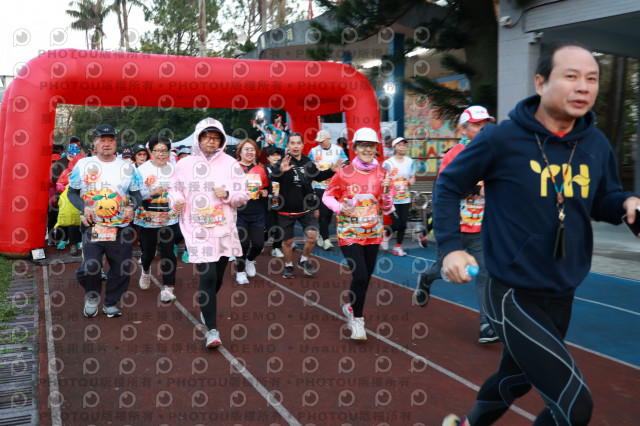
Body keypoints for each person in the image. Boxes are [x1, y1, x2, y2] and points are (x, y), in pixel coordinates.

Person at [436, 41, 640, 426]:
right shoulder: (500, 139)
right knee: (574, 407)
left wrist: (627, 203)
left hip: (562, 290)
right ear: (541, 83)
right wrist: (449, 247)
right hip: (511, 290)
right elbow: (448, 185)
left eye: (592, 79)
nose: (583, 87)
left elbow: (603, 199)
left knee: (514, 379)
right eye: (571, 76)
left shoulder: (596, 144)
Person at [414, 106, 499, 344]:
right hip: (454, 228)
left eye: (486, 124)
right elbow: (444, 190)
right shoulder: (453, 155)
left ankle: (486, 324)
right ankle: (426, 278)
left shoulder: (494, 154)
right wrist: (477, 188)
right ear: (463, 129)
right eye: (477, 125)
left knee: (486, 272)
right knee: (447, 271)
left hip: (480, 228)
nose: (483, 129)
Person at [168, 117, 249, 348]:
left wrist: (228, 194)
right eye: (206, 137)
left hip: (223, 228)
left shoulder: (231, 164)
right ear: (198, 139)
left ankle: (207, 305)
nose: (211, 141)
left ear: (221, 141)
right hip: (197, 229)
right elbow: (173, 189)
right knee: (208, 276)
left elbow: (243, 195)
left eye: (215, 138)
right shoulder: (184, 164)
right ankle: (212, 331)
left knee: (218, 276)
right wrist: (176, 200)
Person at [322, 127, 393, 340]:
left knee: (366, 277)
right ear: (355, 148)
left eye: (371, 146)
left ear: (376, 149)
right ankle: (358, 320)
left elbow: (387, 207)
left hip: (373, 233)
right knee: (360, 275)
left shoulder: (383, 174)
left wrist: (387, 192)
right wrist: (339, 207)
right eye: (363, 146)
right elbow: (327, 196)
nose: (367, 150)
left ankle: (352, 307)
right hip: (349, 233)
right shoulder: (344, 173)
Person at [67, 124, 143, 318]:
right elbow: (72, 193)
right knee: (90, 267)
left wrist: (131, 207)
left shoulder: (127, 167)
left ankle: (110, 302)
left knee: (121, 268)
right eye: (102, 140)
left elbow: (136, 194)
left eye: (111, 140)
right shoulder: (83, 165)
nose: (107, 144)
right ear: (95, 142)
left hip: (121, 228)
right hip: (93, 226)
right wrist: (84, 207)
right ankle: (92, 295)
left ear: (116, 143)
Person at [271, 132, 338, 279]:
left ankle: (303, 259)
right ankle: (288, 265)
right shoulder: (283, 161)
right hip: (286, 210)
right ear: (288, 145)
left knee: (313, 236)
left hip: (306, 209)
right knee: (288, 241)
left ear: (302, 145)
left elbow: (318, 176)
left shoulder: (308, 162)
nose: (295, 146)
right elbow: (273, 176)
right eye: (292, 143)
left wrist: (331, 171)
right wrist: (280, 171)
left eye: (298, 143)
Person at [135, 136, 181, 302]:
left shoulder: (174, 169)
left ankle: (168, 287)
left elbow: (180, 190)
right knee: (148, 252)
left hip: (169, 218)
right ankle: (146, 270)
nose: (161, 154)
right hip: (148, 218)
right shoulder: (142, 170)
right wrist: (151, 193)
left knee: (168, 252)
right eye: (157, 151)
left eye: (164, 151)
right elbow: (135, 194)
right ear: (151, 152)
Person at [234, 138, 269, 285]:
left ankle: (250, 259)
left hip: (257, 212)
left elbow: (266, 187)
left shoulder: (261, 169)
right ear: (240, 152)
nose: (250, 152)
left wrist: (265, 192)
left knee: (259, 244)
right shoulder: (233, 168)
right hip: (239, 212)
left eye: (252, 149)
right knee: (242, 244)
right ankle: (240, 271)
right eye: (246, 149)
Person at [308, 129, 347, 251]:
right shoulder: (314, 151)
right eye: (318, 141)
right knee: (323, 213)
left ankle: (322, 234)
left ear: (329, 139)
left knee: (329, 213)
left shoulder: (338, 150)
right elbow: (308, 166)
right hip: (319, 186)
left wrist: (341, 168)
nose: (320, 143)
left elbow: (345, 163)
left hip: (334, 187)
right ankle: (326, 240)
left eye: (322, 141)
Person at [382, 137, 416, 257]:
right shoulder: (388, 163)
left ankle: (398, 247)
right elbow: (383, 179)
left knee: (403, 224)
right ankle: (386, 234)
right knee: (396, 224)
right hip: (392, 198)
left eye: (404, 145)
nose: (402, 147)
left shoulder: (410, 161)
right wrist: (391, 185)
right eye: (399, 145)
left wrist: (411, 181)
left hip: (405, 197)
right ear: (394, 147)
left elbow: (412, 177)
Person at [55, 143, 85, 256]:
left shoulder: (88, 172)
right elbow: (59, 184)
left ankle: (81, 241)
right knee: (72, 223)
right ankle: (73, 244)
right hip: (70, 201)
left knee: (83, 222)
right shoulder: (66, 171)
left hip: (85, 201)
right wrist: (65, 188)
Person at [264, 145, 285, 258]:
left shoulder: (284, 169)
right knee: (270, 226)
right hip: (267, 203)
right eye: (273, 155)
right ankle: (262, 241)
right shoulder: (263, 170)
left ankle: (276, 248)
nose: (276, 157)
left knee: (281, 226)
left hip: (282, 202)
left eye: (278, 155)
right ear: (268, 157)